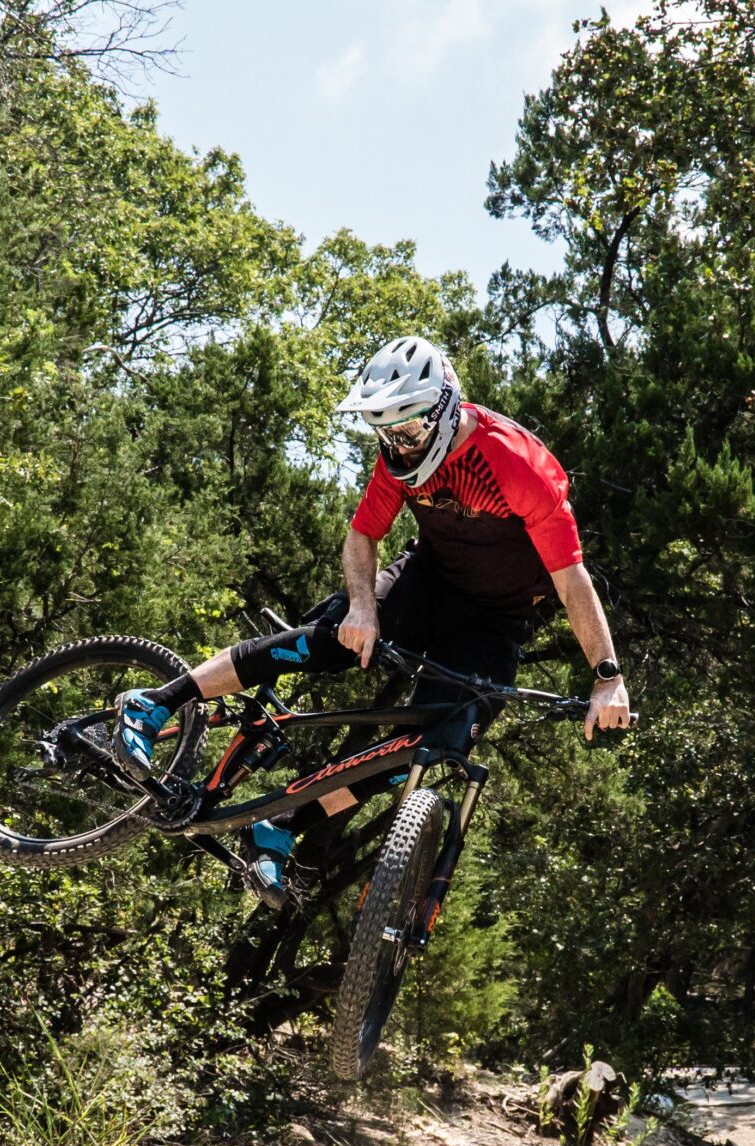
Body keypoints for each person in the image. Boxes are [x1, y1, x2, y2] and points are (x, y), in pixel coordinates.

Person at [115, 335, 633, 906]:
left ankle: (281, 824)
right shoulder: (400, 462)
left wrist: (607, 677)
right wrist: (362, 607)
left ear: (443, 409)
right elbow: (363, 534)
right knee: (330, 642)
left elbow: (570, 579)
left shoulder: (516, 465)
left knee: (438, 744)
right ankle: (158, 700)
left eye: (408, 431)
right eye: (386, 433)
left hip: (497, 620)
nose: (399, 447)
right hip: (426, 581)